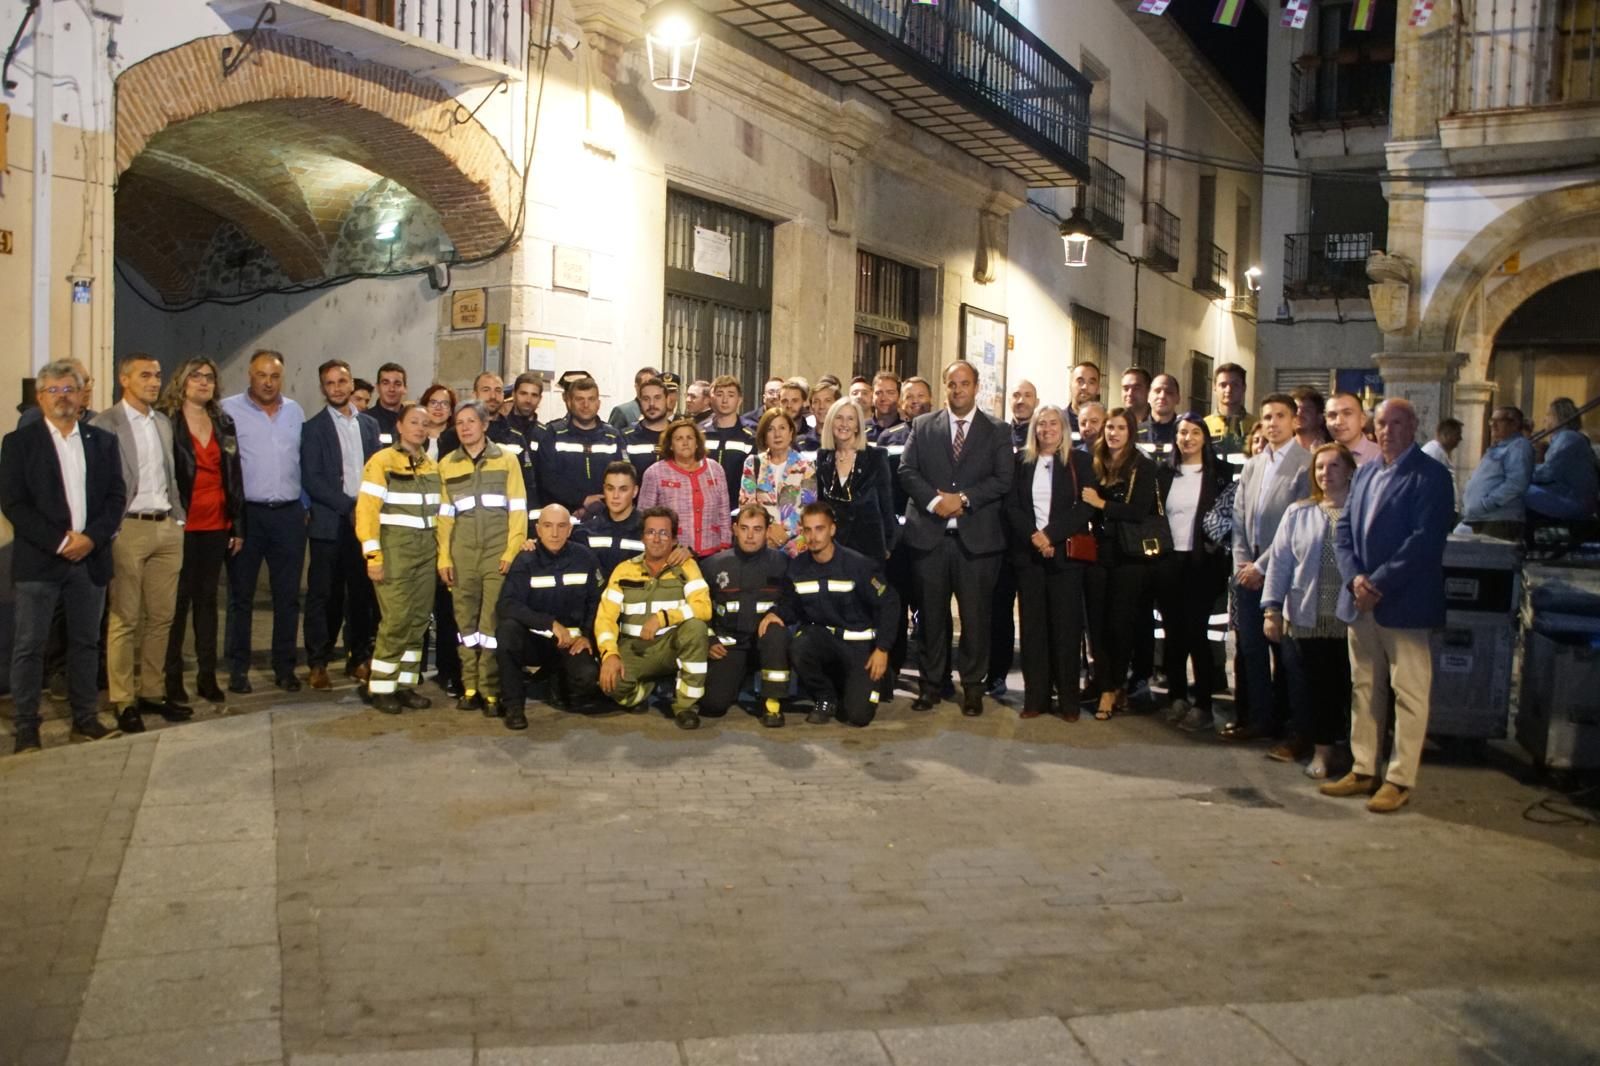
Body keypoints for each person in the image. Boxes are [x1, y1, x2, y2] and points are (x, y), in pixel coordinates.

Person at [1325, 399, 1454, 813]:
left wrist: (1376, 582)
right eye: (1382, 423)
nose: (1388, 430)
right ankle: (1364, 768)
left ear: (1414, 426)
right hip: (1361, 601)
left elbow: (1424, 540)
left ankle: (1399, 778)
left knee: (1409, 693)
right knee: (1364, 689)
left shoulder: (1431, 475)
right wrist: (1354, 578)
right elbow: (1343, 530)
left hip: (1405, 601)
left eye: (1397, 423)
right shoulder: (1364, 473)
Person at [2, 359, 126, 752]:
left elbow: (115, 498)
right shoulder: (19, 443)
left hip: (89, 561)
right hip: (41, 561)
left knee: (86, 643)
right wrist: (61, 541)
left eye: (69, 389)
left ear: (81, 395)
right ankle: (26, 727)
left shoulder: (101, 441)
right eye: (53, 390)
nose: (62, 397)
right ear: (40, 398)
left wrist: (90, 539)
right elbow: (14, 503)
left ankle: (85, 719)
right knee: (30, 645)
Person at [898, 359, 1014, 717]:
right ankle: (931, 685)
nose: (958, 390)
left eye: (964, 384)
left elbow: (1002, 479)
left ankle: (973, 687)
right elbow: (907, 470)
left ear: (976, 387)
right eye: (952, 383)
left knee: (976, 618)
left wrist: (962, 500)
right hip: (930, 538)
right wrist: (936, 502)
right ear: (944, 387)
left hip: (976, 542)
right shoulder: (922, 425)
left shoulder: (997, 430)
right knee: (931, 618)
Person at [91, 354, 191, 735]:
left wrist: (177, 518)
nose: (154, 382)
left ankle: (152, 690)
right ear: (124, 379)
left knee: (161, 617)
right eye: (145, 375)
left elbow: (171, 473)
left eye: (158, 375)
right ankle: (123, 699)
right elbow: (98, 483)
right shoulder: (106, 423)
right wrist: (110, 529)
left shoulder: (162, 422)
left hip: (165, 524)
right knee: (124, 618)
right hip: (128, 528)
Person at [1263, 443, 1357, 781]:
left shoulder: (1362, 512)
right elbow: (1280, 563)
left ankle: (1352, 752)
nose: (1325, 473)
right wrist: (1272, 609)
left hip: (1350, 617)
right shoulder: (1299, 512)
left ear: (1349, 470)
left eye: (1333, 466)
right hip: (1308, 615)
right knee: (1315, 688)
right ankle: (1321, 751)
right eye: (1320, 467)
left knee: (1347, 688)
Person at [764, 503, 900, 726]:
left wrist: (882, 649)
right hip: (825, 639)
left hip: (860, 646)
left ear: (832, 530)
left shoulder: (858, 565)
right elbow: (793, 607)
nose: (813, 536)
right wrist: (773, 614)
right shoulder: (797, 568)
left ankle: (874, 682)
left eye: (820, 529)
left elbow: (889, 603)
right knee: (800, 645)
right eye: (808, 530)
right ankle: (825, 697)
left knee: (857, 716)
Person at [159, 357, 244, 707]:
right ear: (182, 382)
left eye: (209, 377)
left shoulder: (223, 421)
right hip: (180, 523)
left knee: (208, 604)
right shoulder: (167, 422)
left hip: (216, 523)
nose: (203, 383)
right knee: (176, 606)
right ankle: (172, 678)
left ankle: (207, 676)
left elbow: (234, 474)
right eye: (195, 376)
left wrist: (237, 524)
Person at [221, 350, 307, 694]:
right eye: (261, 375)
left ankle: (284, 668)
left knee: (287, 597)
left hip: (288, 514)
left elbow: (303, 459)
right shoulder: (228, 410)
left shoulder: (295, 411)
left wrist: (304, 505)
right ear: (249, 375)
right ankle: (238, 669)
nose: (268, 382)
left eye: (274, 376)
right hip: (248, 515)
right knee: (240, 596)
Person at [1228, 393, 1311, 742]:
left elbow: (1296, 525)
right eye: (1267, 416)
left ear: (1295, 421)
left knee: (1287, 653)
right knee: (1251, 649)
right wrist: (1242, 564)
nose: (1273, 423)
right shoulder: (1253, 465)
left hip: (1284, 569)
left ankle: (1290, 723)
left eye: (1280, 415)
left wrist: (1262, 566)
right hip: (1248, 569)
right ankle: (1259, 718)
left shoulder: (1307, 465)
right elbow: (1238, 518)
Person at [437, 401, 529, 715]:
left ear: (484, 424)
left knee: (489, 625)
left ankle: (491, 691)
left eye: (470, 421)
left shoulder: (506, 460)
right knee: (465, 625)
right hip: (461, 555)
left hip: (496, 553)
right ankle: (469, 686)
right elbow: (445, 518)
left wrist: (510, 551)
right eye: (459, 423)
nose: (464, 428)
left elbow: (518, 510)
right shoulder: (447, 464)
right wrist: (444, 559)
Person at [1006, 404, 1095, 720]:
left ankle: (1068, 701)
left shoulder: (1079, 461)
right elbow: (1012, 506)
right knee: (1033, 630)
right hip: (1029, 558)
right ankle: (1035, 699)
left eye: (1053, 423)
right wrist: (1034, 536)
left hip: (1066, 557)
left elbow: (1085, 508)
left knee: (1066, 630)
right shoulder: (1021, 462)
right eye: (1041, 424)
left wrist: (1051, 536)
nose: (1046, 429)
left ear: (1064, 428)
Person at [301, 358, 382, 692]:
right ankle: (318, 662)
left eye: (342, 381)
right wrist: (348, 506)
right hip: (329, 524)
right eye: (330, 383)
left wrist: (366, 509)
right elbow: (313, 478)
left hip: (363, 525)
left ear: (352, 385)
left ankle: (358, 658)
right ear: (323, 388)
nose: (337, 387)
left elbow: (377, 470)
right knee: (325, 595)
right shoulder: (312, 428)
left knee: (361, 594)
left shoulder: (369, 426)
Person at [594, 507, 713, 730]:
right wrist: (609, 653)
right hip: (636, 648)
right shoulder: (623, 570)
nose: (656, 539)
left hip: (672, 645)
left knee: (696, 628)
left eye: (664, 533)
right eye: (650, 532)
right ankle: (648, 688)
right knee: (610, 686)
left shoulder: (687, 566)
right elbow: (605, 618)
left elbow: (704, 608)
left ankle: (685, 707)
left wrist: (664, 618)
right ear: (642, 537)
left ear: (674, 538)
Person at [355, 404, 440, 713]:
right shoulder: (382, 462)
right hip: (394, 554)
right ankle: (381, 687)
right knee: (396, 620)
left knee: (418, 622)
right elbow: (366, 512)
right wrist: (373, 555)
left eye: (425, 423)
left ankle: (405, 685)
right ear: (400, 427)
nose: (420, 428)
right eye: (414, 422)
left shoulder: (431, 466)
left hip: (426, 554)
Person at [1080, 408, 1160, 720]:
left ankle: (1113, 687)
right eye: (1109, 427)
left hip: (1129, 555)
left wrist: (1101, 504)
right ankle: (1103, 684)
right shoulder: (1095, 462)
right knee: (1096, 624)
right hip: (1097, 551)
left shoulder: (1143, 465)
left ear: (1131, 432)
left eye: (1120, 428)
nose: (1113, 433)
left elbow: (1139, 511)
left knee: (1119, 625)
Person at [494, 504, 603, 729]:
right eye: (548, 526)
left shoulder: (585, 558)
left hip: (570, 643)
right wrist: (549, 623)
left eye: (561, 526)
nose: (555, 533)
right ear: (538, 529)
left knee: (586, 678)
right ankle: (514, 706)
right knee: (507, 631)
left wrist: (588, 636)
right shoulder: (525, 560)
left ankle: (555, 680)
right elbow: (507, 604)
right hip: (534, 641)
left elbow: (597, 602)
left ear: (570, 530)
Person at [1155, 414, 1229, 734]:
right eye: (1182, 432)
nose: (1187, 438)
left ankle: (1204, 704)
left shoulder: (1219, 474)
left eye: (1195, 432)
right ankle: (1176, 697)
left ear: (1205, 438)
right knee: (1173, 633)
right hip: (1171, 562)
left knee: (1197, 634)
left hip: (1203, 564)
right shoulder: (1163, 474)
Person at [701, 504, 792, 727]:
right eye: (744, 528)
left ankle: (772, 704)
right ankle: (736, 678)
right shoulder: (712, 565)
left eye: (757, 529)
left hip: (767, 643)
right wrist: (709, 639)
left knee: (776, 632)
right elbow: (699, 609)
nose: (750, 535)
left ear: (768, 531)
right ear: (734, 529)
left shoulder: (783, 564)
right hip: (731, 644)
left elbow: (795, 601)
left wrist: (777, 613)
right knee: (713, 706)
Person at [988, 378, 1039, 698]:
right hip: (1001, 538)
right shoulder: (998, 433)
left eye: (1027, 395)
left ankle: (1038, 679)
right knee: (999, 613)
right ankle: (996, 675)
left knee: (1033, 615)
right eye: (1016, 395)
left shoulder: (1045, 435)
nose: (1020, 400)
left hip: (1035, 539)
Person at [816, 397, 898, 562]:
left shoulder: (876, 456)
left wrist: (889, 544)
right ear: (831, 422)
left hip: (868, 547)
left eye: (850, 419)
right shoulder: (823, 457)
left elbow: (886, 504)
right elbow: (820, 502)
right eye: (839, 418)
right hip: (832, 547)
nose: (844, 424)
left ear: (858, 426)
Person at [639, 418, 731, 558]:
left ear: (697, 443)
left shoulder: (715, 469)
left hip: (713, 553)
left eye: (690, 437)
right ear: (670, 445)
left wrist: (725, 545)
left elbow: (724, 512)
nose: (685, 442)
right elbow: (644, 517)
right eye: (679, 438)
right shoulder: (654, 473)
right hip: (673, 555)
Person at [538, 375, 625, 520]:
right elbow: (547, 478)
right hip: (564, 519)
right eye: (579, 399)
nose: (586, 405)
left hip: (606, 518)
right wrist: (581, 500)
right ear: (569, 402)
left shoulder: (613, 437)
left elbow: (623, 478)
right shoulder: (554, 433)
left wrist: (599, 504)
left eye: (591, 399)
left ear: (598, 403)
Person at [739, 409, 817, 558]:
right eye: (770, 429)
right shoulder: (753, 463)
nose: (777, 434)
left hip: (797, 548)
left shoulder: (806, 466)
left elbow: (808, 509)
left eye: (782, 428)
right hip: (760, 544)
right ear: (764, 434)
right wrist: (767, 533)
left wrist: (784, 536)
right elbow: (747, 505)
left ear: (791, 432)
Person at [1460, 406, 1533, 540]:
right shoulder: (1497, 447)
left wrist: (1487, 503)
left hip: (1500, 519)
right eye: (1491, 420)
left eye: (1499, 420)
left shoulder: (1518, 445)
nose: (1493, 425)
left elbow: (1517, 482)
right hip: (1483, 518)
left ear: (1515, 424)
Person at [1527, 398, 1600, 522]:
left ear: (1558, 417)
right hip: (1570, 497)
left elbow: (1548, 472)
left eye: (1548, 415)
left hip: (1574, 501)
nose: (1545, 420)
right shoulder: (1567, 438)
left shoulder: (1568, 438)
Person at [577, 461, 648, 580]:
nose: (615, 496)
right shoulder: (586, 531)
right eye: (610, 489)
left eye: (623, 489)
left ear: (635, 491)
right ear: (604, 489)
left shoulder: (648, 529)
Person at [703, 375, 758, 493]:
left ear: (739, 400)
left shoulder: (749, 437)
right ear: (711, 399)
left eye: (731, 395)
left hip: (738, 504)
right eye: (719, 394)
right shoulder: (701, 434)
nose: (725, 400)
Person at [1204, 363, 1256, 475]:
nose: (1228, 389)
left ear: (1244, 387)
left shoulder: (1257, 426)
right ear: (1214, 387)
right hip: (1213, 489)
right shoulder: (1202, 426)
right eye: (1223, 385)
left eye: (1235, 385)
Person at [623, 377, 674, 479]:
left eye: (657, 398)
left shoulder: (679, 435)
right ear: (639, 402)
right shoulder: (626, 438)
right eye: (646, 399)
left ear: (667, 400)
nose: (651, 404)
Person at [1324, 392, 1380, 466]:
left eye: (1347, 413)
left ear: (1362, 419)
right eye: (1332, 415)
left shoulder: (1380, 456)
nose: (1339, 422)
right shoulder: (1321, 457)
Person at [1137, 374, 1182, 460]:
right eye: (1157, 391)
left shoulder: (1186, 434)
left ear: (1178, 398)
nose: (1162, 396)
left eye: (1169, 392)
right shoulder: (1134, 433)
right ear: (1148, 397)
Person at [1421, 417, 1463, 510]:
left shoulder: (1439, 452)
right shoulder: (1433, 453)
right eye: (1457, 434)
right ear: (1446, 435)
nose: (1460, 439)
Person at [608, 365, 661, 431]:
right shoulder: (623, 412)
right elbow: (612, 438)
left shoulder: (661, 411)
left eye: (655, 385)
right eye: (646, 384)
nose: (651, 388)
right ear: (637, 387)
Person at [419, 384, 459, 463]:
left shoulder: (458, 438)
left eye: (444, 403)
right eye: (433, 403)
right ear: (424, 407)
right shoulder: (414, 435)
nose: (438, 408)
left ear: (451, 411)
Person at [369, 362, 408, 444]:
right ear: (377, 387)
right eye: (385, 383)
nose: (391, 389)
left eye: (397, 384)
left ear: (405, 388)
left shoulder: (412, 421)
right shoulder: (365, 421)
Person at [781, 379, 818, 455]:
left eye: (794, 401)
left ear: (804, 403)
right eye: (784, 401)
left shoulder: (812, 439)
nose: (789, 406)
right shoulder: (770, 435)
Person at [505, 371, 545, 441]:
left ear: (540, 399)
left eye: (534, 395)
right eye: (523, 394)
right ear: (513, 395)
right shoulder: (500, 429)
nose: (528, 400)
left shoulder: (545, 434)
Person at [867, 372, 904, 443]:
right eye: (878, 393)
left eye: (890, 393)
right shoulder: (860, 430)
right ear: (872, 397)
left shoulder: (908, 432)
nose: (883, 398)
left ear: (899, 397)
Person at [1068, 361, 1101, 440]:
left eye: (1091, 382)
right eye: (1080, 381)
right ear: (1070, 386)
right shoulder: (1058, 421)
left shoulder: (1108, 424)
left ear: (1099, 388)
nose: (1085, 387)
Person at [1291, 386, 1330, 451]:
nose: (1299, 413)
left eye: (1306, 410)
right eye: (1295, 409)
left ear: (1320, 418)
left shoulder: (1332, 451)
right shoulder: (1281, 449)